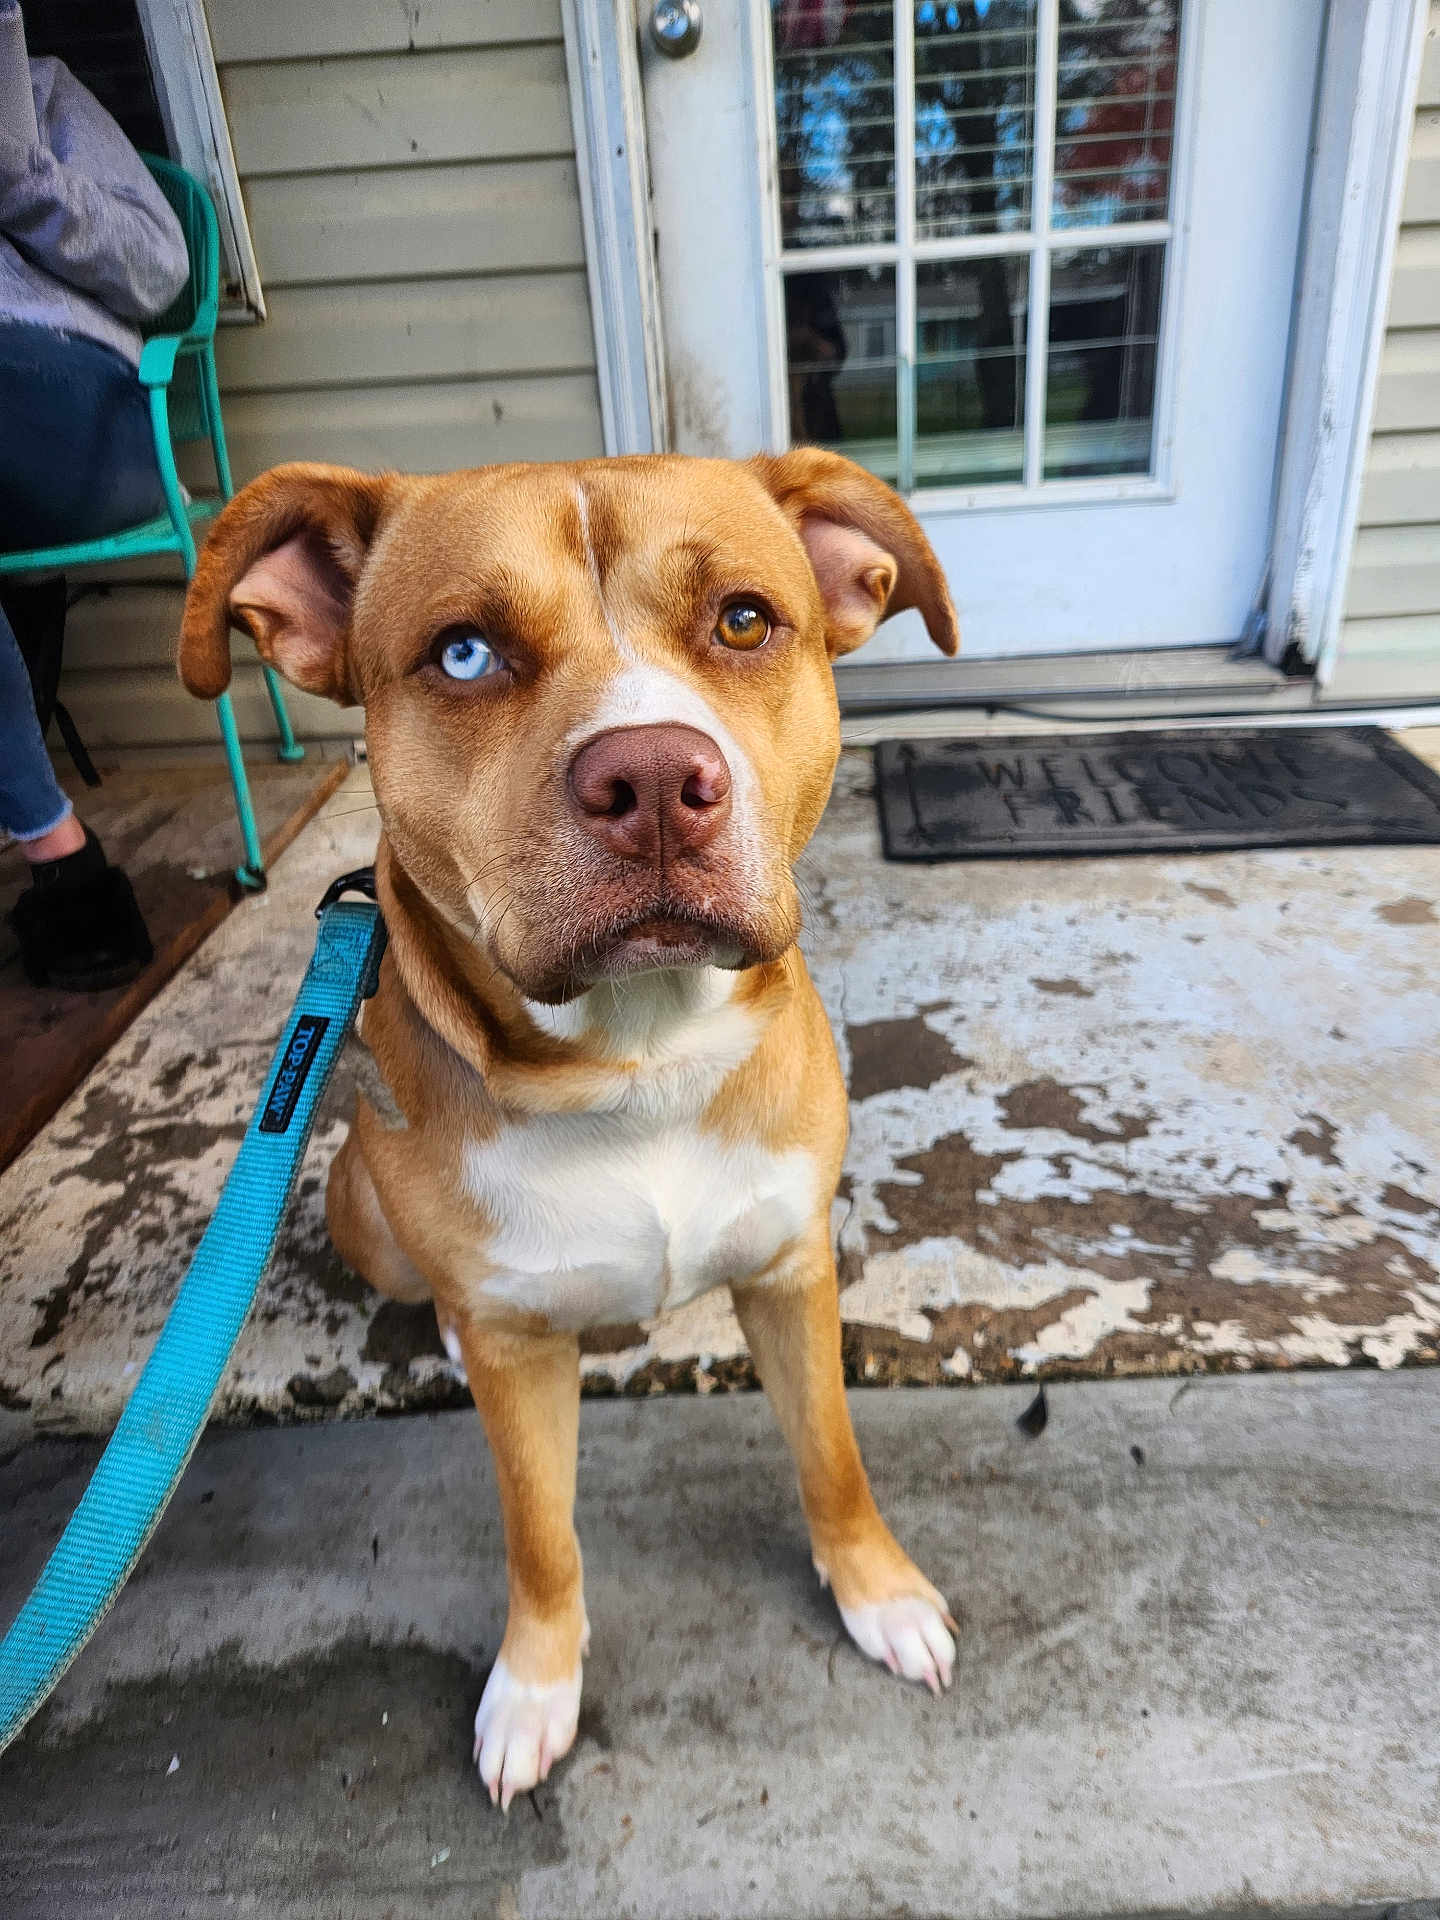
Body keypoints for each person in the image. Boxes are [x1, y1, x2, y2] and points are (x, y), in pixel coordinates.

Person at [1, 0, 189, 989]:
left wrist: (20, 173)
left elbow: (162, 274)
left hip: (86, 416)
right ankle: (59, 854)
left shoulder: (43, 98)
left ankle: (57, 852)